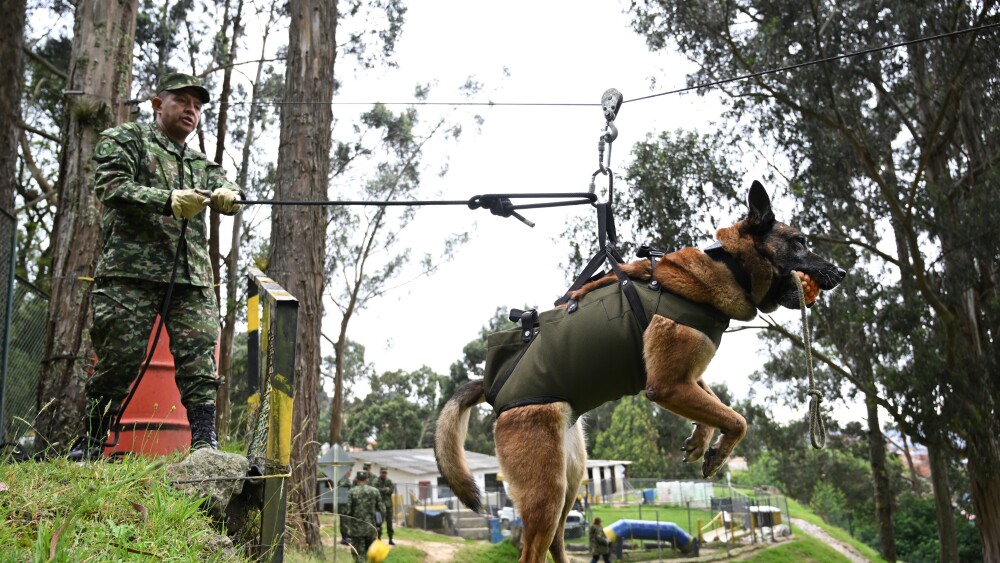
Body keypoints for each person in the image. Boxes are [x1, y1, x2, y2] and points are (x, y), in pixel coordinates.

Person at [69, 73, 242, 460]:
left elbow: (226, 184)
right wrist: (167, 199)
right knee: (118, 360)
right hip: (131, 274)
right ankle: (92, 442)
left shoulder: (201, 164)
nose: (191, 111)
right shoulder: (126, 139)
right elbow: (110, 186)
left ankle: (204, 445)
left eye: (197, 106)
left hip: (190, 278)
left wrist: (230, 195)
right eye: (182, 101)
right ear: (157, 104)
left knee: (200, 361)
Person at [346, 470, 385, 563]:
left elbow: (348, 510)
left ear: (357, 479)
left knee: (358, 554)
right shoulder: (375, 491)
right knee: (371, 555)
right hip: (371, 528)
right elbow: (382, 509)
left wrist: (349, 524)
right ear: (367, 479)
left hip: (356, 529)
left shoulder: (352, 492)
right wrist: (379, 524)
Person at [374, 467, 396, 545]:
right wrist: (385, 489)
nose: (384, 474)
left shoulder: (389, 481)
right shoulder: (376, 481)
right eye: (383, 473)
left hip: (388, 505)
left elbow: (392, 490)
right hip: (379, 505)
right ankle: (378, 538)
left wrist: (385, 490)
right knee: (379, 522)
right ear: (380, 473)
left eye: (385, 473)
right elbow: (376, 491)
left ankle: (391, 538)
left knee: (389, 522)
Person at [336, 468, 353, 545]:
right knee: (344, 521)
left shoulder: (346, 479)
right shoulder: (342, 479)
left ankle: (346, 535)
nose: (350, 473)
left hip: (346, 504)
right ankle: (344, 538)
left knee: (347, 520)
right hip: (343, 504)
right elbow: (342, 486)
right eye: (350, 471)